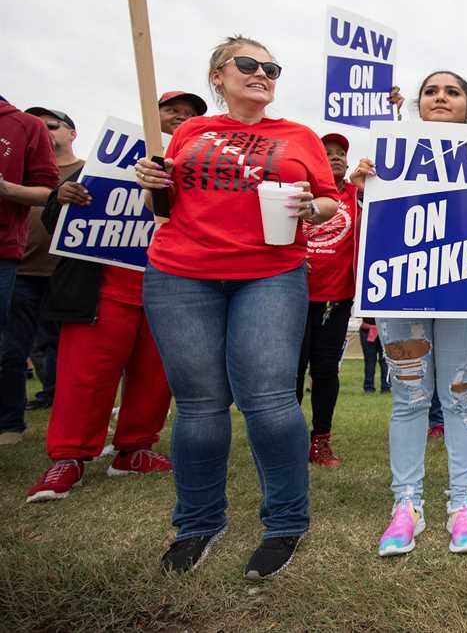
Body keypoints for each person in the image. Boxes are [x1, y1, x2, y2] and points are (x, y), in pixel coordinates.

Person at [137, 37, 340, 579]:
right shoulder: (190, 132)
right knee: (199, 406)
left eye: (271, 67)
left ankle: (285, 524)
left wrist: (310, 207)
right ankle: (198, 525)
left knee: (271, 401)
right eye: (248, 64)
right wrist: (153, 182)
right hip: (182, 273)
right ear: (218, 76)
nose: (262, 73)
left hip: (270, 274)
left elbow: (328, 201)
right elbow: (167, 202)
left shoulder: (298, 137)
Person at [24, 92, 205, 501]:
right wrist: (60, 199)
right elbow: (58, 222)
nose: (180, 117)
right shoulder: (103, 164)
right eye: (172, 111)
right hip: (103, 289)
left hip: (168, 290)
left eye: (190, 114)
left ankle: (135, 449)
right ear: (150, 115)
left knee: (156, 376)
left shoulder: (200, 170)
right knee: (85, 375)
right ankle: (69, 457)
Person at [368, 70, 467, 557]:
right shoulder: (393, 149)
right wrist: (363, 183)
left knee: (459, 396)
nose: (440, 97)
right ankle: (406, 505)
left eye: (451, 92)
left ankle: (462, 505)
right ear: (420, 102)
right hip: (402, 290)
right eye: (431, 91)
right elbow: (377, 221)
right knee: (410, 398)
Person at [0, 107, 81, 443]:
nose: (46, 131)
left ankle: (71, 417)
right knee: (14, 348)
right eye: (41, 126)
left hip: (64, 271)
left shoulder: (86, 170)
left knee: (69, 348)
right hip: (22, 268)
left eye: (53, 125)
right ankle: (9, 422)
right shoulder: (17, 167)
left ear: (72, 133)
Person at [295, 132, 362, 469]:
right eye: (327, 152)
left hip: (336, 299)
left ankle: (320, 440)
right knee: (292, 370)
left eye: (341, 153)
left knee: (325, 370)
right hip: (292, 295)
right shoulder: (298, 190)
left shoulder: (357, 195)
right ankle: (288, 440)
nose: (335, 157)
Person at [360, 318, 390, 394]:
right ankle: (368, 387)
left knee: (385, 361)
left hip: (386, 329)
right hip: (367, 330)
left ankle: (386, 387)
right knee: (369, 361)